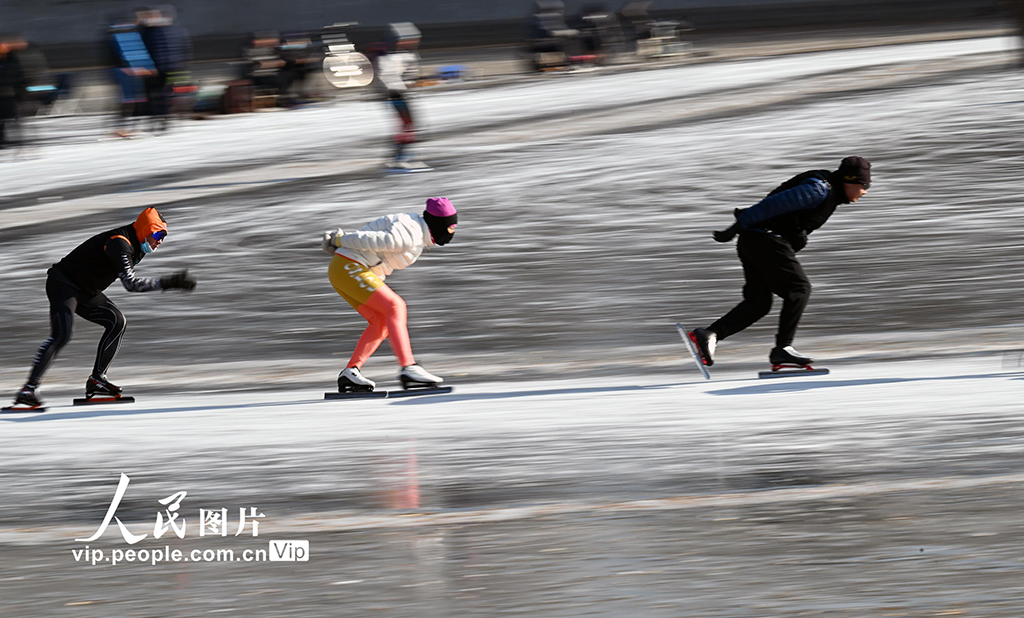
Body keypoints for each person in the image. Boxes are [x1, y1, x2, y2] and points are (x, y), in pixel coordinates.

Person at [689, 156, 872, 368]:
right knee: (799, 289)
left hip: (756, 241)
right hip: (764, 239)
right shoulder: (818, 189)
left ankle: (709, 335)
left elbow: (791, 220)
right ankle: (783, 348)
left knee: (759, 302)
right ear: (849, 181)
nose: (865, 191)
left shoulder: (828, 193)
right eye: (865, 185)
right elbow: (770, 206)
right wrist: (735, 228)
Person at [7, 207, 197, 410]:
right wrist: (168, 283)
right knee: (61, 335)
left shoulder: (138, 243)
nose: (159, 240)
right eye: (157, 234)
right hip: (63, 284)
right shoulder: (120, 243)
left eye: (163, 236)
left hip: (86, 290)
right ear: (145, 230)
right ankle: (28, 389)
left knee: (117, 322)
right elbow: (131, 284)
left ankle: (97, 380)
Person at [321, 197, 458, 391]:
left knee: (381, 321)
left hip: (346, 269)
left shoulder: (416, 236)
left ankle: (351, 373)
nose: (452, 233)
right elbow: (375, 241)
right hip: (348, 266)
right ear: (438, 224)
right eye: (451, 228)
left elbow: (378, 258)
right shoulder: (411, 231)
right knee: (396, 306)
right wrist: (339, 240)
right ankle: (408, 367)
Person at [372, 22, 424, 170]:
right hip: (395, 95)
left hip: (398, 94)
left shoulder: (407, 55)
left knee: (408, 126)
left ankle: (398, 155)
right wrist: (406, 84)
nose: (416, 42)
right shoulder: (390, 57)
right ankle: (398, 157)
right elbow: (388, 78)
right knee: (407, 126)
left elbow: (408, 76)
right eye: (413, 39)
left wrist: (412, 82)